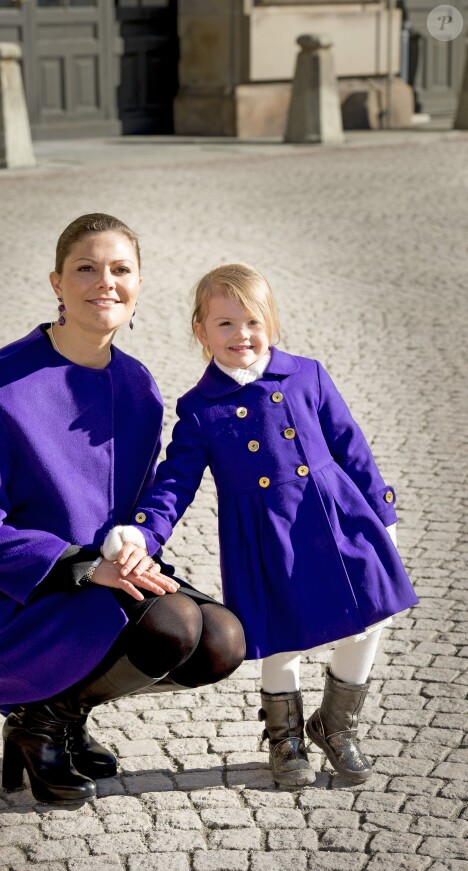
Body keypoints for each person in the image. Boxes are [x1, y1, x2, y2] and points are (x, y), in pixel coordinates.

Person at [0, 215, 246, 804]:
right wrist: (81, 565)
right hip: (6, 588)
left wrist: (134, 546)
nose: (105, 282)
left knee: (221, 640)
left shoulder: (137, 387)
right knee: (171, 625)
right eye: (86, 269)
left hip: (96, 574)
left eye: (120, 270)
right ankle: (42, 721)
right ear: (57, 283)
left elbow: (135, 505)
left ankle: (63, 712)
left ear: (138, 284)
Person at [103, 263, 418, 787]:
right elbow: (175, 483)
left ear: (270, 322)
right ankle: (285, 735)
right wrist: (142, 532)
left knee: (373, 618)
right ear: (200, 332)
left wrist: (380, 510)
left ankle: (335, 724)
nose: (240, 335)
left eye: (251, 321)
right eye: (224, 324)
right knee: (282, 640)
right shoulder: (200, 409)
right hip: (264, 535)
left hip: (336, 516)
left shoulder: (306, 373)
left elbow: (350, 444)